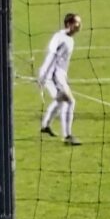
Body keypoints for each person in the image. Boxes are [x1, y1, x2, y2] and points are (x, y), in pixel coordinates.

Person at [38, 13, 83, 146]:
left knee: (60, 100)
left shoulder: (69, 39)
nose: (79, 25)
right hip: (53, 75)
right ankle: (67, 136)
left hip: (58, 75)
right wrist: (43, 76)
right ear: (69, 24)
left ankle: (45, 126)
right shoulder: (60, 38)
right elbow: (51, 57)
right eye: (77, 23)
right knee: (70, 101)